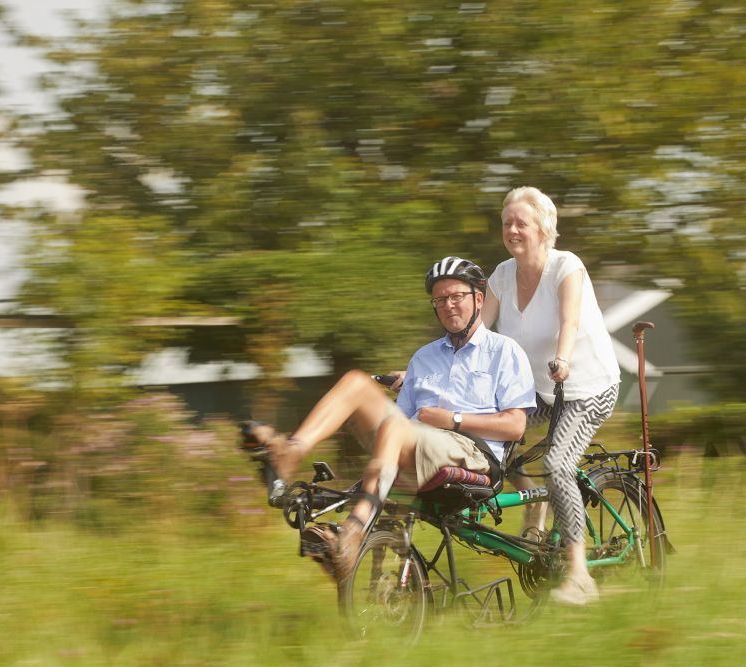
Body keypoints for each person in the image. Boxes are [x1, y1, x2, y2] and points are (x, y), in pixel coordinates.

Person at [252, 256, 537, 582]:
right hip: (414, 443)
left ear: (478, 300)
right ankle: (291, 452)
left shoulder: (504, 351)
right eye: (440, 300)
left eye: (456, 296)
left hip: (473, 453)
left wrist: (453, 419)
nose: (448, 306)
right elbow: (398, 422)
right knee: (355, 382)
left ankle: (353, 532)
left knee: (395, 427)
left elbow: (515, 426)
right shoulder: (424, 357)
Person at [481, 186, 621, 606]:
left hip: (586, 387)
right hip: (540, 390)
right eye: (506, 222)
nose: (512, 229)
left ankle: (579, 575)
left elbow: (569, 321)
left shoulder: (566, 266)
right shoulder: (502, 276)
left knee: (559, 463)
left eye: (520, 222)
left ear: (543, 227)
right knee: (486, 436)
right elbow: (478, 336)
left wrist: (562, 357)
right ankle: (534, 505)